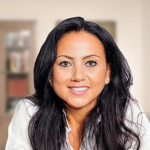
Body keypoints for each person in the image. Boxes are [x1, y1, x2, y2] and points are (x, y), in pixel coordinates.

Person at [5, 17, 150, 150]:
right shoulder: (30, 112)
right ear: (49, 73)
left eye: (91, 63)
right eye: (65, 63)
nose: (78, 76)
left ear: (108, 73)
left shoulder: (128, 112)